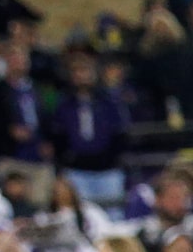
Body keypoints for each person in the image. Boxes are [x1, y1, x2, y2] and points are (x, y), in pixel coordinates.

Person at [49, 48, 132, 209]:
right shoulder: (64, 105)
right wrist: (67, 159)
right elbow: (58, 135)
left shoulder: (110, 103)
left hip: (108, 171)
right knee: (82, 218)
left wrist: (112, 158)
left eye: (85, 70)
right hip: (76, 172)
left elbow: (120, 132)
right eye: (77, 71)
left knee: (112, 215)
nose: (82, 76)